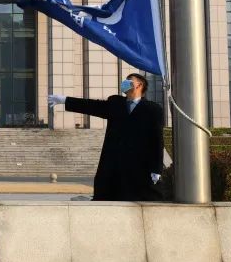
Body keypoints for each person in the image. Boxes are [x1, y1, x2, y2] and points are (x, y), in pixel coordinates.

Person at [48, 73, 164, 201]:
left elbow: (157, 140)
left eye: (129, 81)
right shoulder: (116, 103)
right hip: (113, 162)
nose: (125, 83)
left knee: (138, 196)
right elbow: (92, 105)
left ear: (139, 85)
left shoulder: (153, 109)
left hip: (138, 164)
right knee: (108, 196)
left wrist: (156, 168)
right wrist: (65, 100)